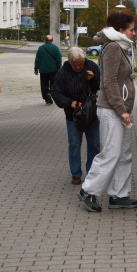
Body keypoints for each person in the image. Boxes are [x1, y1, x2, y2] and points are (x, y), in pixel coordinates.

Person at [77, 12, 137, 213]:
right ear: (120, 31)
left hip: (121, 110)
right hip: (113, 110)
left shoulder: (120, 47)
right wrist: (121, 110)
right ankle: (88, 190)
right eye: (131, 29)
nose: (134, 33)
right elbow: (109, 82)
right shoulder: (113, 47)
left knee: (123, 154)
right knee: (111, 153)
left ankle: (119, 195)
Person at [51, 47, 101, 186]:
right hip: (73, 115)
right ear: (70, 62)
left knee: (95, 145)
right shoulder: (62, 73)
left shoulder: (90, 65)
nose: (78, 67)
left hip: (91, 113)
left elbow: (100, 84)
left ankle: (92, 172)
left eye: (80, 64)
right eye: (75, 65)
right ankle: (76, 174)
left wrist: (93, 78)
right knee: (74, 145)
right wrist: (70, 102)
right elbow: (55, 92)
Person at [34, 34, 62, 105]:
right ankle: (50, 93)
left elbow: (37, 59)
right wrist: (59, 68)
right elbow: (58, 59)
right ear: (52, 41)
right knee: (54, 84)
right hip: (53, 70)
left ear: (45, 40)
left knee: (44, 85)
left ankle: (46, 98)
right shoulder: (55, 48)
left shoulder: (41, 48)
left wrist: (36, 68)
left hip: (43, 70)